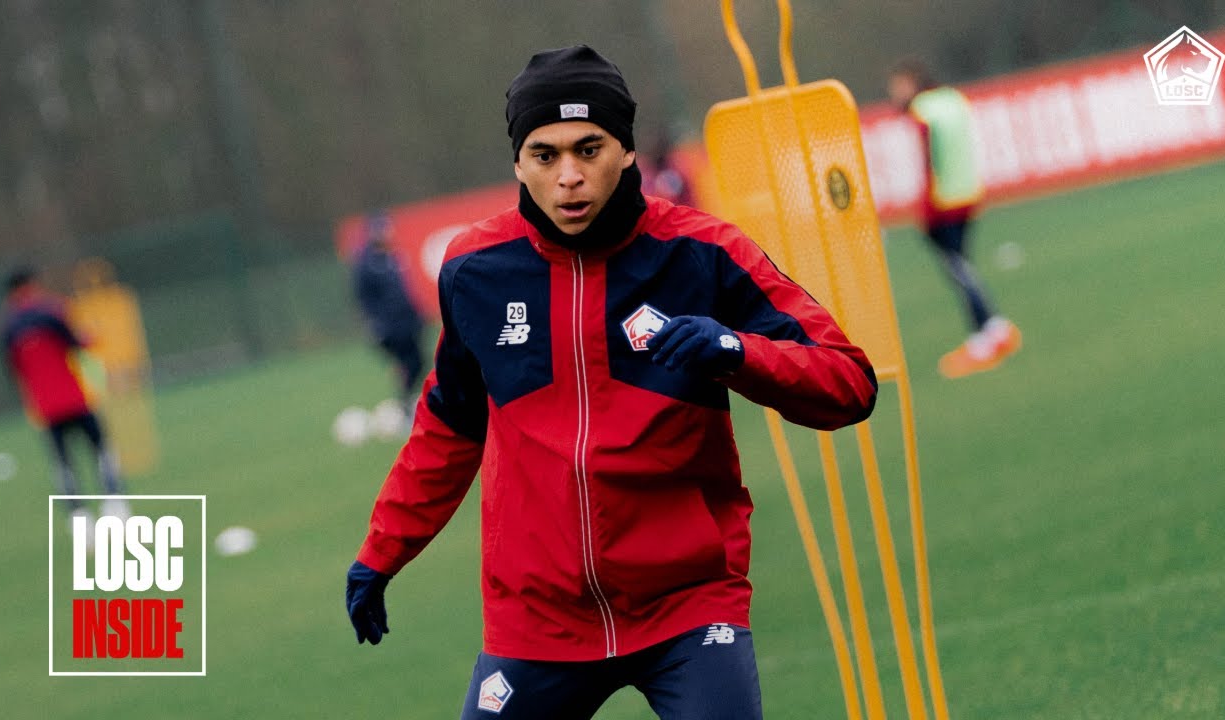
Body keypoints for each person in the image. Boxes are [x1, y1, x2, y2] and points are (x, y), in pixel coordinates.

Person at [345, 46, 878, 720]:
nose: (569, 176)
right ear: (518, 163)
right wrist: (381, 553)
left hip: (687, 607)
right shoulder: (475, 271)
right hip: (536, 624)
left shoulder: (705, 254)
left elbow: (850, 384)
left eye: (588, 148)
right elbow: (448, 429)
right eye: (545, 155)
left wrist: (738, 351)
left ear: (626, 151)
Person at [888, 59, 1022, 378]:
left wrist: (926, 207)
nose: (895, 94)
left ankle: (986, 334)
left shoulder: (923, 110)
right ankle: (992, 330)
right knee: (961, 265)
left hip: (943, 201)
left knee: (958, 269)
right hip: (968, 192)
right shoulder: (951, 99)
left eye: (898, 87)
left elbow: (930, 157)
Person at [0, 267, 127, 523]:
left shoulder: (6, 327)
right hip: (74, 398)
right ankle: (115, 505)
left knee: (63, 464)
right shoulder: (51, 310)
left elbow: (14, 370)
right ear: (31, 284)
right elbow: (76, 344)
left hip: (45, 407)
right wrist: (92, 337)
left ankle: (79, 517)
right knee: (102, 450)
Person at [353, 213, 425, 415]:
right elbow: (363, 297)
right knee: (406, 362)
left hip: (408, 320)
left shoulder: (393, 257)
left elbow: (404, 290)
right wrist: (373, 323)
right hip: (389, 325)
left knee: (418, 361)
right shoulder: (366, 264)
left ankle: (408, 400)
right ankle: (405, 403)